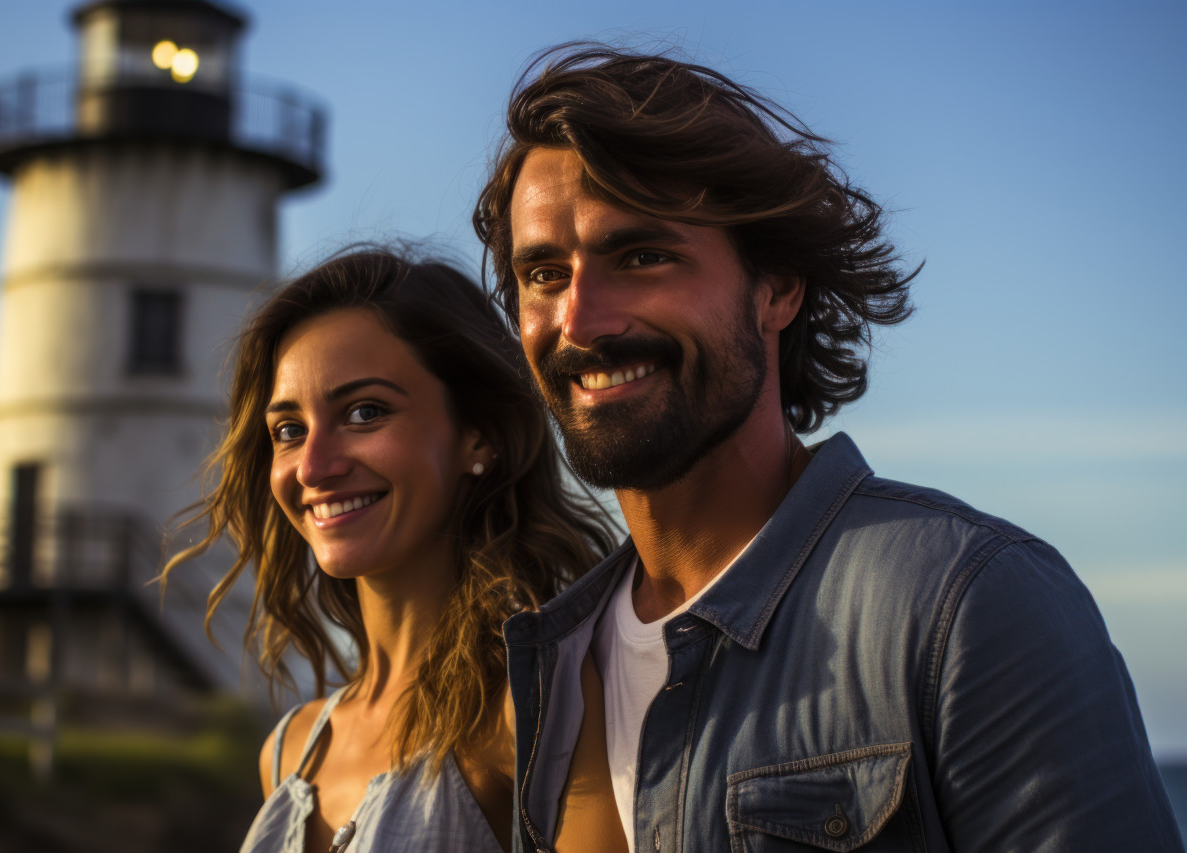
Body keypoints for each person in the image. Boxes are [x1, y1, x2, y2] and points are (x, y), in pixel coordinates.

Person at [473, 45, 1184, 852]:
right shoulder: (548, 667)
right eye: (543, 274)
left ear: (776, 286)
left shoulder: (968, 603)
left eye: (642, 256)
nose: (580, 320)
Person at [163, 248, 625, 853]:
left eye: (365, 412)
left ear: (478, 435)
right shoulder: (289, 750)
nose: (314, 466)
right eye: (289, 430)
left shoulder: (525, 702)